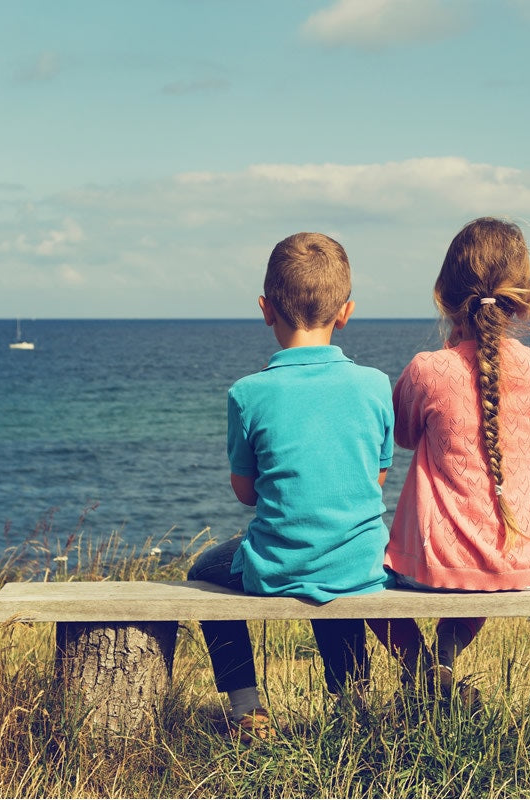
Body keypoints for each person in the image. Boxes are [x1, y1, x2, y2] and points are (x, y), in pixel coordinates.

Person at [189, 232, 394, 743]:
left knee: (202, 570)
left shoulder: (248, 393)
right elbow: (377, 478)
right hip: (360, 562)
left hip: (279, 563)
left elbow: (245, 492)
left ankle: (246, 708)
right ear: (345, 312)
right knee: (332, 569)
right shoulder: (374, 384)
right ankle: (354, 703)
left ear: (265, 309)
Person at [368, 217, 530, 706]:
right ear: (524, 299)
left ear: (444, 296)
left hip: (434, 565)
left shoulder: (428, 369)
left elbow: (403, 437)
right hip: (523, 563)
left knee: (351, 565)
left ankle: (420, 671)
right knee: (484, 564)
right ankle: (445, 657)